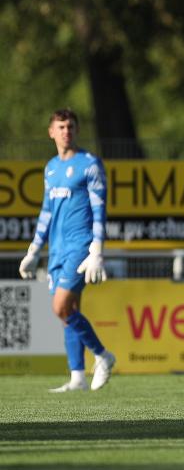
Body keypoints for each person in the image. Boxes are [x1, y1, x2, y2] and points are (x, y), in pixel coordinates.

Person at [18, 109, 115, 392]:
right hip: (56, 250)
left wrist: (96, 250)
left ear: (77, 130)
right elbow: (47, 212)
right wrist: (34, 251)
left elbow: (99, 209)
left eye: (71, 126)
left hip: (80, 245)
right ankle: (77, 377)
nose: (66, 131)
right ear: (51, 132)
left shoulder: (89, 164)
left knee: (60, 307)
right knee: (68, 312)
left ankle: (103, 355)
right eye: (60, 127)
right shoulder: (50, 168)